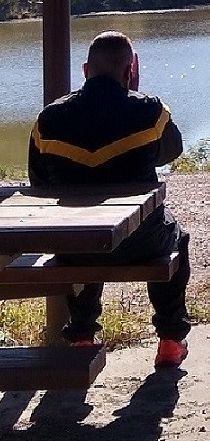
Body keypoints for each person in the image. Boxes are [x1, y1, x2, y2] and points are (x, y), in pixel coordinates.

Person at [28, 31, 191, 368]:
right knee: (175, 236)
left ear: (86, 70)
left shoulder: (48, 120)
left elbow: (39, 183)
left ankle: (83, 334)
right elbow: (171, 151)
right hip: (140, 242)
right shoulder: (149, 111)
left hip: (76, 246)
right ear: (131, 71)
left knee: (81, 237)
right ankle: (171, 339)